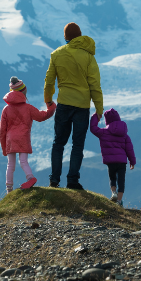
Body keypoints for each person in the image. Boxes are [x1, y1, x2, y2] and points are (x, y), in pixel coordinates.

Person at [44, 22, 104, 189]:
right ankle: (72, 181)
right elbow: (95, 85)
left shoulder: (56, 54)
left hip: (64, 104)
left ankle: (54, 180)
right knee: (77, 145)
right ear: (80, 36)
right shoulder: (88, 56)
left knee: (58, 143)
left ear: (65, 37)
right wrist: (99, 108)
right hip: (82, 106)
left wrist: (48, 100)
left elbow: (49, 81)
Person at [0, 76, 56, 194]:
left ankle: (9, 190)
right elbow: (42, 116)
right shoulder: (28, 108)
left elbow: (2, 130)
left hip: (10, 139)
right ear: (23, 92)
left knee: (10, 164)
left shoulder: (6, 109)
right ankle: (30, 177)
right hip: (23, 137)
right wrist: (51, 107)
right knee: (23, 161)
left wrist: (4, 148)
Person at [89, 108, 136, 207]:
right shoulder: (124, 135)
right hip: (122, 162)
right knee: (121, 181)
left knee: (112, 178)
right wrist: (132, 161)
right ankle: (119, 201)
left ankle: (113, 192)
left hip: (110, 161)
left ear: (107, 121)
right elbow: (129, 149)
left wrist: (96, 116)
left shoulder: (103, 132)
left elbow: (93, 128)